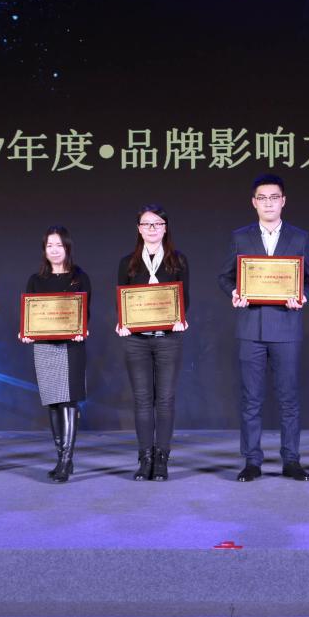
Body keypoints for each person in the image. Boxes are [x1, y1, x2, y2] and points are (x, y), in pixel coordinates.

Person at [217, 173, 309, 482]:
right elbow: (225, 276)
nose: (268, 203)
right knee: (251, 399)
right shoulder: (240, 237)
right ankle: (252, 461)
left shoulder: (300, 237)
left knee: (289, 399)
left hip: (287, 328)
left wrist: (302, 296)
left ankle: (292, 460)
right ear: (254, 203)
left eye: (274, 197)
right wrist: (234, 292)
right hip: (251, 328)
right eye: (262, 198)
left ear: (283, 201)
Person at [115, 204, 190, 481]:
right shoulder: (127, 262)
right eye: (147, 224)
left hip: (168, 339)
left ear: (165, 228)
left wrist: (180, 318)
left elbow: (185, 298)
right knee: (143, 400)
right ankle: (144, 458)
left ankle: (162, 459)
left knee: (165, 400)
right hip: (137, 341)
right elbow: (122, 299)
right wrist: (122, 322)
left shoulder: (178, 260)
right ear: (139, 229)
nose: (152, 228)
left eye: (157, 224)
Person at [19, 226, 91, 483]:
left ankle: (66, 460)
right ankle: (61, 457)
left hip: (71, 346)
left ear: (67, 247)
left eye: (59, 245)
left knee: (68, 401)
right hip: (44, 347)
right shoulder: (35, 280)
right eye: (49, 245)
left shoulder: (79, 277)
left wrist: (82, 329)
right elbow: (30, 314)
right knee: (53, 401)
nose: (54, 250)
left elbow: (85, 312)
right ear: (44, 249)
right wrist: (26, 332)